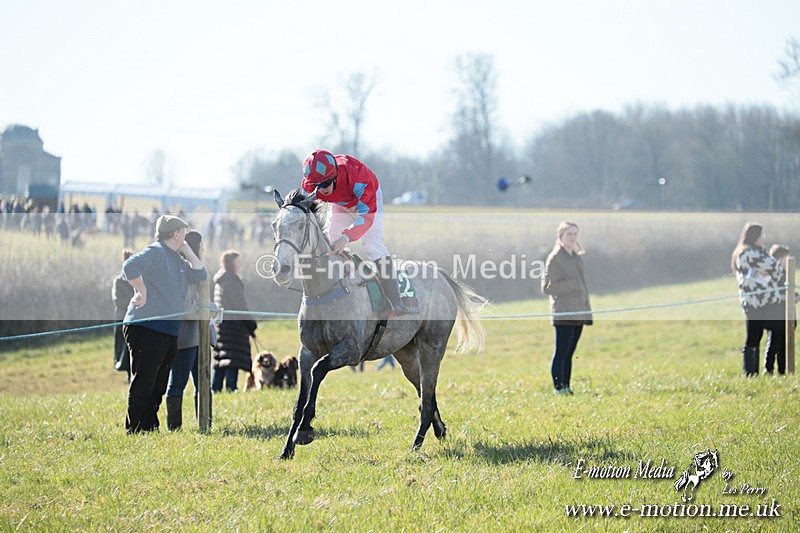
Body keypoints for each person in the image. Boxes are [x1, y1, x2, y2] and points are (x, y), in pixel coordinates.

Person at [121, 215, 207, 433]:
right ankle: (135, 429)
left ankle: (149, 427)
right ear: (176, 233)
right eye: (184, 233)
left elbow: (200, 273)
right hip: (146, 327)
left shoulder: (177, 258)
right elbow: (130, 267)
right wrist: (142, 290)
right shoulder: (156, 251)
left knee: (158, 384)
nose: (186, 237)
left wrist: (188, 251)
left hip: (168, 331)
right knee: (144, 382)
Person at [300, 149, 407, 317]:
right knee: (329, 242)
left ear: (334, 176)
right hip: (341, 203)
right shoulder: (310, 185)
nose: (321, 189)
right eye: (316, 186)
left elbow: (366, 218)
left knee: (372, 245)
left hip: (367, 201)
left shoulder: (358, 178)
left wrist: (346, 237)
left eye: (325, 184)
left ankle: (395, 301)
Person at [541, 221, 593, 395]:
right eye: (569, 234)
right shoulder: (555, 258)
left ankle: (567, 386)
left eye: (575, 234)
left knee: (570, 352)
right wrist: (570, 285)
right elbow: (547, 287)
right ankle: (558, 388)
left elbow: (583, 287)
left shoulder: (576, 257)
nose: (572, 237)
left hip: (579, 311)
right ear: (561, 236)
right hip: (564, 312)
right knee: (561, 352)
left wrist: (586, 310)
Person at [731, 222, 785, 376]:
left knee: (768, 331)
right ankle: (750, 372)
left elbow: (775, 270)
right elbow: (775, 268)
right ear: (756, 236)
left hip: (767, 300)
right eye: (762, 234)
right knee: (754, 335)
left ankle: (763, 370)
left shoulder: (757, 252)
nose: (764, 237)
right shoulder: (747, 254)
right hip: (755, 301)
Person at [166, 230, 204, 430]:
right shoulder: (184, 270)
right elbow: (187, 301)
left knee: (202, 381)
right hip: (185, 334)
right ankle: (174, 427)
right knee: (178, 381)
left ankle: (204, 422)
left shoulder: (196, 268)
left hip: (200, 335)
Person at [212, 250, 257, 392]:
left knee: (221, 360)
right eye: (237, 262)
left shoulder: (221, 280)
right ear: (231, 263)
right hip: (234, 327)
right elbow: (240, 306)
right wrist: (251, 325)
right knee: (232, 359)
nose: (240, 264)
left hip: (222, 325)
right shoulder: (231, 281)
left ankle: (216, 388)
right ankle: (231, 388)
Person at [763, 244, 797, 375]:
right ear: (779, 259)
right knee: (774, 342)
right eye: (785, 258)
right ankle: (768, 368)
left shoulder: (785, 273)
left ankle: (782, 371)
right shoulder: (775, 274)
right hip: (776, 313)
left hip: (786, 313)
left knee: (784, 343)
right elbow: (775, 292)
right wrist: (788, 297)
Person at [111, 248, 135, 381]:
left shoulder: (137, 279)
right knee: (123, 349)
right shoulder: (119, 281)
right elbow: (118, 301)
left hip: (135, 319)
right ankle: (127, 374)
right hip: (123, 318)